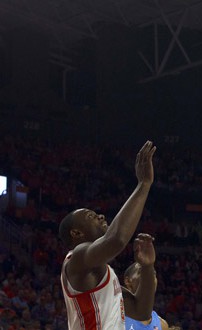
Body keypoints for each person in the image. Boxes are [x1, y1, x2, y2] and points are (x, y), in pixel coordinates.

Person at [59, 140, 156, 329]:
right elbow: (116, 239)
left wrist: (147, 267)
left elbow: (142, 311)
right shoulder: (76, 259)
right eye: (91, 216)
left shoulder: (105, 274)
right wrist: (143, 184)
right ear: (77, 232)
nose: (100, 215)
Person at [123, 233, 170, 330]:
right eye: (142, 272)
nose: (150, 277)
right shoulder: (115, 312)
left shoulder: (162, 324)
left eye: (153, 274)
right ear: (128, 281)